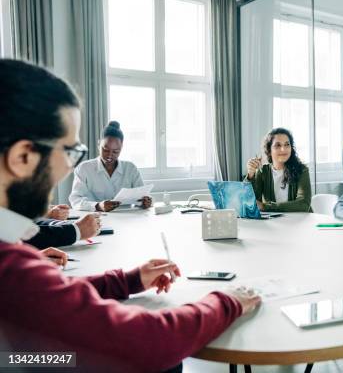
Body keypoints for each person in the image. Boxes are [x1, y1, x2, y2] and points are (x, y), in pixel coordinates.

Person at [0, 59, 261, 371]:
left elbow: (55, 300)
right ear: (23, 157)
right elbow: (151, 341)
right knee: (167, 364)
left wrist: (129, 279)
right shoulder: (11, 269)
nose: (69, 167)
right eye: (68, 152)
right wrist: (228, 300)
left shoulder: (15, 260)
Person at [69, 121, 152, 212]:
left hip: (127, 219)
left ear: (121, 148)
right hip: (96, 220)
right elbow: (75, 200)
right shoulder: (84, 169)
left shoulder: (130, 168)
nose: (110, 155)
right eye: (105, 150)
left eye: (115, 151)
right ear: (98, 144)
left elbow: (142, 196)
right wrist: (98, 206)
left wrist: (146, 202)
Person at [245, 127, 312, 212]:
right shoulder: (263, 172)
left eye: (287, 144)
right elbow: (250, 203)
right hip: (274, 223)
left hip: (301, 221)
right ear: (269, 150)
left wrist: (266, 207)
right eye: (278, 145)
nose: (283, 149)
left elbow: (303, 204)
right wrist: (251, 175)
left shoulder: (302, 170)